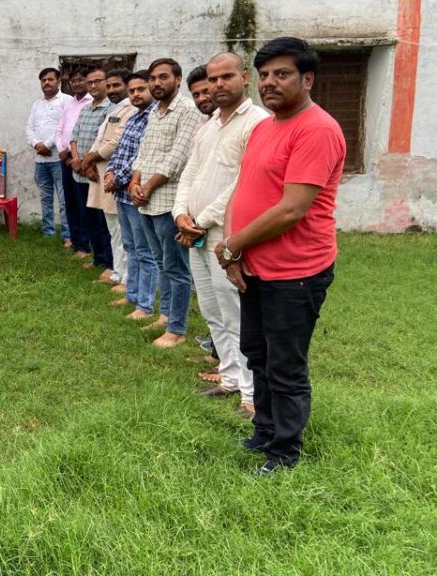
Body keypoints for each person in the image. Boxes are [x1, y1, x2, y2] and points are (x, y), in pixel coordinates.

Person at [215, 37, 345, 474]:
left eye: (282, 74)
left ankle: (285, 452)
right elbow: (241, 190)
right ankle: (265, 431)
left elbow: (292, 209)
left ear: (307, 79)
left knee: (286, 364)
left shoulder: (317, 129)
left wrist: (232, 245)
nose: (269, 82)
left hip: (296, 272)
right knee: (257, 353)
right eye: (264, 74)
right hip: (254, 266)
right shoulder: (264, 127)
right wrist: (233, 249)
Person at [173, 52, 267, 418]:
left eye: (226, 76)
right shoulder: (209, 124)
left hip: (225, 235)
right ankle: (229, 377)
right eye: (212, 79)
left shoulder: (257, 123)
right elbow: (190, 172)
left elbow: (244, 182)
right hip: (195, 231)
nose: (218, 85)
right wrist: (180, 213)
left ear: (244, 77)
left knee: (235, 314)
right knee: (211, 310)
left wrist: (201, 219)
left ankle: (252, 394)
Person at [130, 58, 203, 348]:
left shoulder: (187, 110)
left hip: (169, 203)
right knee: (161, 263)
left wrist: (146, 187)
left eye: (163, 77)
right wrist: (135, 182)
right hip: (146, 201)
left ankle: (177, 329)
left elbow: (177, 158)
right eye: (152, 78)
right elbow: (143, 152)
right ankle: (166, 315)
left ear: (177, 79)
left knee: (176, 269)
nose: (156, 83)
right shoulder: (155, 112)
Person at [104, 71, 159, 321]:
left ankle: (145, 305)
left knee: (144, 251)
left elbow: (142, 156)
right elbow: (120, 151)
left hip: (137, 194)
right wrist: (110, 172)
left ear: (151, 89)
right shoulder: (134, 117)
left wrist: (117, 177)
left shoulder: (154, 118)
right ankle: (132, 294)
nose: (136, 94)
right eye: (133, 90)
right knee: (131, 246)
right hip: (121, 194)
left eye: (141, 89)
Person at [82, 69, 133, 287]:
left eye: (116, 85)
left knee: (122, 232)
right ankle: (117, 272)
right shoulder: (117, 108)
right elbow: (100, 138)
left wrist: (91, 158)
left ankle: (126, 277)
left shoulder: (132, 109)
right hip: (101, 173)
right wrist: (89, 161)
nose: (112, 90)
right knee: (113, 229)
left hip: (115, 176)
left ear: (127, 86)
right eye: (110, 86)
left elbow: (116, 142)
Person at [69, 67, 113, 272]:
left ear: (106, 83)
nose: (93, 85)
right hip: (80, 172)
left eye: (97, 81)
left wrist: (87, 164)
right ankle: (97, 258)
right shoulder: (85, 109)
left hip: (96, 173)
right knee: (88, 217)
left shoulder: (111, 109)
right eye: (90, 82)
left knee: (102, 219)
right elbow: (74, 136)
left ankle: (109, 262)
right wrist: (76, 159)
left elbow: (105, 142)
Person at [25, 67, 69, 240]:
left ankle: (67, 234)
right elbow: (29, 128)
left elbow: (65, 127)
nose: (46, 83)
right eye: (43, 80)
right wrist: (37, 144)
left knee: (64, 199)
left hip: (59, 158)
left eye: (50, 79)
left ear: (59, 81)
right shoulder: (37, 104)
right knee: (45, 198)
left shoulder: (67, 101)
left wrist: (48, 144)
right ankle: (48, 232)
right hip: (41, 160)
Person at [55, 68, 92, 253]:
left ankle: (85, 245)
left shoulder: (92, 102)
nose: (77, 83)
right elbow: (59, 130)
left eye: (80, 80)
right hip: (65, 158)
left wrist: (74, 156)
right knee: (69, 201)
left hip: (81, 160)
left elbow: (82, 133)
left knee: (82, 202)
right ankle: (75, 241)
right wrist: (61, 150)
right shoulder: (69, 104)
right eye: (73, 81)